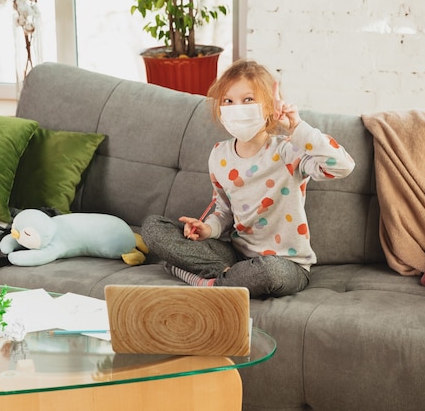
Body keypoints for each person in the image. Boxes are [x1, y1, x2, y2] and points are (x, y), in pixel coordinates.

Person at [141, 59, 355, 298]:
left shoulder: (288, 150)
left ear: (268, 106)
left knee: (269, 273)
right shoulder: (219, 154)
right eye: (228, 101)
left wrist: (296, 127)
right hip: (235, 254)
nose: (236, 107)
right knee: (152, 228)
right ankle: (228, 277)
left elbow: (342, 167)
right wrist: (207, 230)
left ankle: (206, 280)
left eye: (248, 100)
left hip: (286, 264)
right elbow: (223, 211)